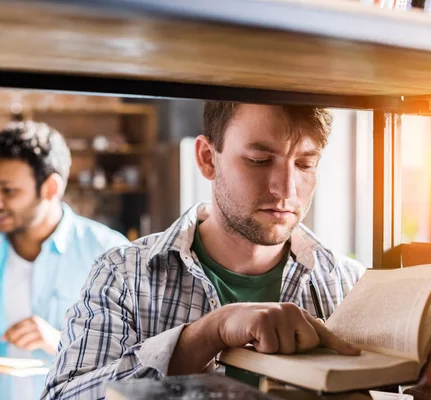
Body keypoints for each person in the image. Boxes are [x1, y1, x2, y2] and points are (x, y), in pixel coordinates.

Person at [41, 102, 366, 400]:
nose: (286, 189)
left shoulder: (350, 285)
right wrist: (205, 336)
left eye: (306, 164)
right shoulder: (124, 274)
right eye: (259, 161)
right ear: (208, 159)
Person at [0, 121, 129, 399]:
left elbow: (139, 356)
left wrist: (61, 342)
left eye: (8, 190)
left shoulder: (111, 256)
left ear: (50, 188)